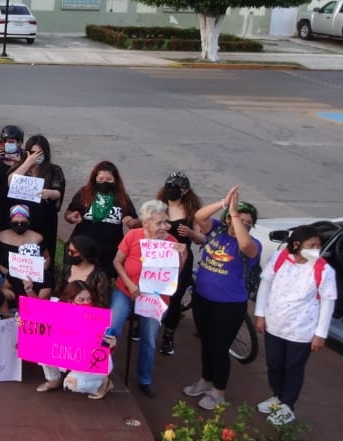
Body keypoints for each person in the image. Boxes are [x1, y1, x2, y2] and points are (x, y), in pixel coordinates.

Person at [180, 186, 260, 410]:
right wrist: (224, 204)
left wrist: (235, 216)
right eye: (237, 220)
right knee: (206, 342)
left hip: (229, 305)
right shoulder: (216, 230)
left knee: (219, 346)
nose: (241, 224)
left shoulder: (252, 245)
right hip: (203, 298)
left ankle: (219, 391)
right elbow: (199, 217)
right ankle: (206, 381)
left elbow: (246, 245)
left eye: (247, 222)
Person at [253, 224, 337, 426]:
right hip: (275, 324)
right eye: (312, 245)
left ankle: (288, 404)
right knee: (273, 364)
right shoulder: (280, 258)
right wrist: (260, 314)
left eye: (318, 245)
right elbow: (265, 284)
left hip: (301, 331)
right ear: (297, 244)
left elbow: (327, 301)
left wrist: (320, 334)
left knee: (293, 368)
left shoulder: (323, 269)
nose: (316, 249)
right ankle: (277, 396)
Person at [109, 200, 186, 398]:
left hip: (155, 297)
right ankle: (104, 371)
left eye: (165, 222)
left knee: (149, 339)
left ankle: (144, 379)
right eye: (159, 223)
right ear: (146, 223)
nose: (163, 227)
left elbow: (175, 274)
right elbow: (117, 262)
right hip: (126, 290)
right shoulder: (133, 236)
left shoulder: (170, 242)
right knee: (112, 329)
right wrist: (129, 282)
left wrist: (183, 256)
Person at [38, 279, 116, 398]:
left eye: (89, 298)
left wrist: (112, 344)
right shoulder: (57, 310)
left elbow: (105, 350)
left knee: (72, 383)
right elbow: (37, 325)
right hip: (71, 354)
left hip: (93, 360)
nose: (87, 302)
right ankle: (53, 380)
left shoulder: (98, 316)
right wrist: (22, 323)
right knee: (43, 344)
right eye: (82, 299)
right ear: (70, 300)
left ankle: (102, 384)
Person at [65, 161, 138, 277]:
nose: (105, 182)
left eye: (109, 179)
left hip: (110, 251)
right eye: (101, 179)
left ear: (115, 180)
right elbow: (69, 212)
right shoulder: (84, 193)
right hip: (83, 247)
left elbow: (136, 222)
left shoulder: (122, 197)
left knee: (102, 283)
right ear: (95, 179)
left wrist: (133, 222)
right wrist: (70, 216)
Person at [158, 172, 203, 356]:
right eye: (170, 186)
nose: (173, 191)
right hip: (159, 256)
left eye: (178, 188)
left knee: (175, 298)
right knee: (152, 292)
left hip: (180, 260)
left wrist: (192, 234)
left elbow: (202, 237)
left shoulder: (192, 211)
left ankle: (168, 336)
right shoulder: (159, 206)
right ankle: (142, 325)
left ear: (185, 191)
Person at [4, 134, 66, 245]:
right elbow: (11, 182)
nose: (36, 156)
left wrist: (50, 193)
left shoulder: (54, 170)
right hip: (20, 216)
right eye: (33, 152)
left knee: (42, 247)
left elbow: (58, 192)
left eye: (40, 153)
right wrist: (28, 163)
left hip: (43, 216)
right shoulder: (19, 166)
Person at [0, 204, 51, 305]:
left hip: (30, 281)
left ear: (28, 221)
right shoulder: (1, 237)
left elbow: (46, 257)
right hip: (3, 278)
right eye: (15, 222)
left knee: (28, 307)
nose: (19, 224)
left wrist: (39, 273)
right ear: (10, 221)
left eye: (23, 222)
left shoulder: (38, 238)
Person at [59, 234, 111, 306]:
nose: (69, 254)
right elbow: (58, 293)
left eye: (72, 251)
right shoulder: (65, 268)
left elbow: (104, 303)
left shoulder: (99, 276)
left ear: (84, 254)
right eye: (68, 250)